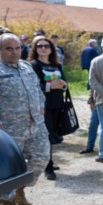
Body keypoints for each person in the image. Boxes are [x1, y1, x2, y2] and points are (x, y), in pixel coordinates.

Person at [0, 33, 50, 205]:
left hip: (35, 125)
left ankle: (20, 189)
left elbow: (37, 91)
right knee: (7, 170)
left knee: (42, 158)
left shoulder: (27, 67)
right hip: (8, 132)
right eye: (9, 49)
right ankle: (8, 204)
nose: (14, 52)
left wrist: (41, 108)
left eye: (17, 48)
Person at [28, 35, 68, 180]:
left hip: (58, 104)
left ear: (51, 49)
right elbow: (33, 86)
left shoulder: (56, 65)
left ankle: (48, 161)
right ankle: (48, 167)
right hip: (43, 106)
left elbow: (64, 83)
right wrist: (51, 85)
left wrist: (62, 85)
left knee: (54, 136)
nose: (43, 48)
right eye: (40, 46)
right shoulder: (33, 65)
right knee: (47, 136)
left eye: (46, 46)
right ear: (35, 49)